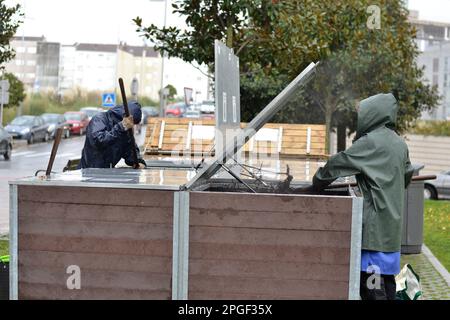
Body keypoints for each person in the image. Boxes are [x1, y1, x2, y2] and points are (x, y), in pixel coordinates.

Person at [311, 93, 414, 300]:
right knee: (387, 285)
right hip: (391, 232)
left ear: (373, 114)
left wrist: (317, 182)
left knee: (372, 291)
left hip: (373, 237)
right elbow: (407, 174)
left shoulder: (370, 142)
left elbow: (338, 163)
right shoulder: (399, 143)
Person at [79, 101, 147, 169]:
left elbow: (130, 150)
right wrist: (121, 127)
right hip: (90, 171)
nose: (131, 126)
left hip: (108, 173)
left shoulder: (124, 131)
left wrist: (138, 161)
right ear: (123, 116)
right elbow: (99, 140)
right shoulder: (99, 119)